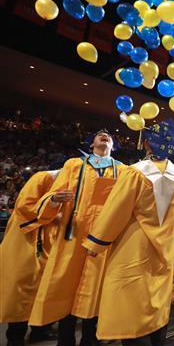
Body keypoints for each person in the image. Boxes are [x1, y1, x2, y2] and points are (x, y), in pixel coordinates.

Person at [82, 118, 174, 345]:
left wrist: (96, 243)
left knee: (130, 305)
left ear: (148, 144)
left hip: (134, 245)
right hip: (164, 246)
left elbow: (116, 211)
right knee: (155, 302)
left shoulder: (135, 172)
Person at [27, 130, 124, 346]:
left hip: (103, 238)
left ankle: (90, 340)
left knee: (95, 290)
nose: (104, 136)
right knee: (66, 288)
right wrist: (54, 200)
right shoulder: (73, 165)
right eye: (100, 135)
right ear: (91, 144)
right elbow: (52, 194)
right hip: (73, 233)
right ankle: (65, 340)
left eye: (108, 135)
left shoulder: (123, 171)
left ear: (114, 145)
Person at [0, 169, 60, 345]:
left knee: (45, 288)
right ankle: (15, 338)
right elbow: (24, 207)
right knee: (22, 288)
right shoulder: (43, 177)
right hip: (27, 238)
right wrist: (54, 215)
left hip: (48, 240)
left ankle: (40, 330)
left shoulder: (71, 184)